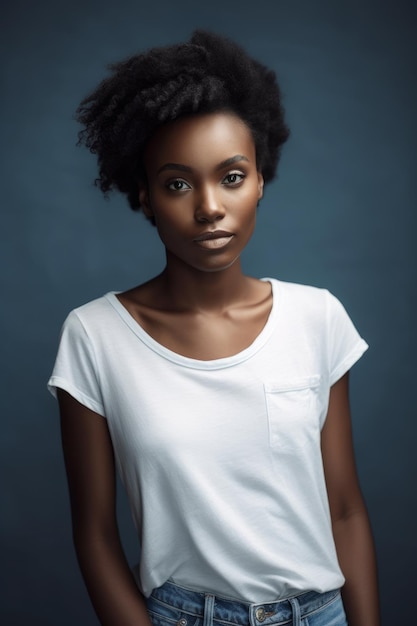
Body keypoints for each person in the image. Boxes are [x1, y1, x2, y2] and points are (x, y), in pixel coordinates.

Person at [48, 30, 380, 626]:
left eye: (231, 176)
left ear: (260, 181)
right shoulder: (95, 336)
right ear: (144, 197)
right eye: (178, 183)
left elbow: (346, 508)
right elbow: (95, 537)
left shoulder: (317, 318)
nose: (208, 207)